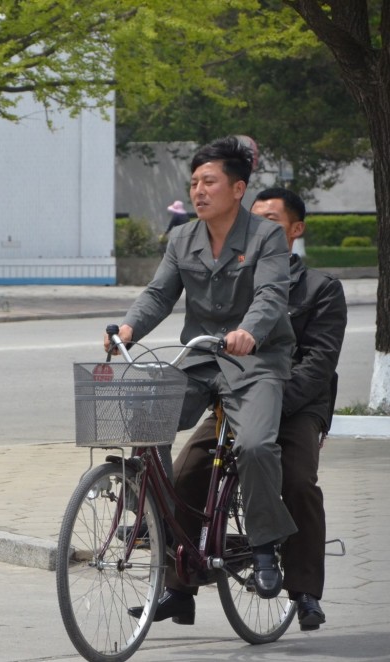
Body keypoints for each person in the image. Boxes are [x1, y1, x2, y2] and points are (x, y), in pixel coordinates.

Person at [106, 136, 298, 606]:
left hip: (255, 359)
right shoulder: (182, 237)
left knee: (255, 445)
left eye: (209, 181)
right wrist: (128, 328)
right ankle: (159, 522)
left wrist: (250, 330)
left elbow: (272, 295)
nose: (199, 190)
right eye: (193, 182)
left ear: (238, 188)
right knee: (146, 415)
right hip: (199, 357)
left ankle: (265, 544)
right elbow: (158, 294)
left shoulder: (265, 236)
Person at [154, 188, 347, 630]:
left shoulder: (321, 289)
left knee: (297, 481)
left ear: (295, 231)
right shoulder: (240, 275)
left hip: (296, 406)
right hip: (238, 394)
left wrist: (269, 404)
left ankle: (304, 591)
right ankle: (179, 586)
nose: (259, 230)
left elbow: (319, 363)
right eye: (253, 220)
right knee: (186, 474)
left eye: (272, 222)